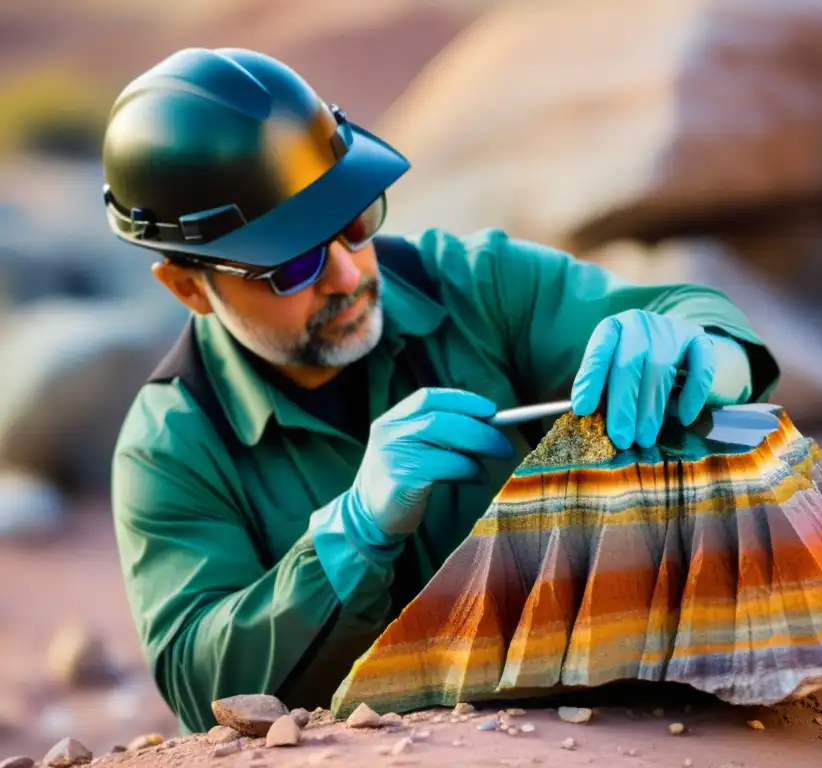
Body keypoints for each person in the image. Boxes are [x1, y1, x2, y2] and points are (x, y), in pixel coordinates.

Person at [104, 47, 781, 734]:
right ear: (188, 286)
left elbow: (693, 314)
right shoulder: (170, 447)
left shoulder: (476, 285)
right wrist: (352, 534)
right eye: (293, 263)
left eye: (354, 222)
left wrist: (701, 354)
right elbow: (200, 681)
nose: (345, 275)